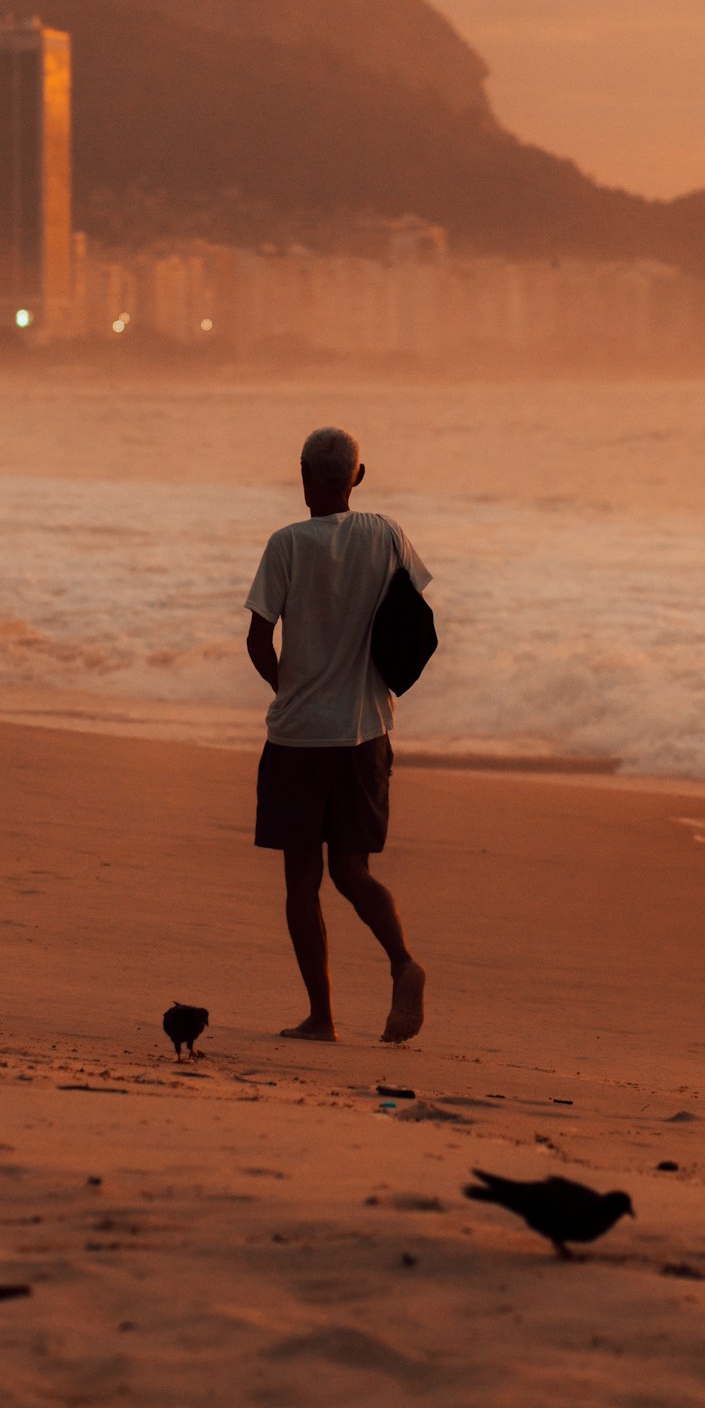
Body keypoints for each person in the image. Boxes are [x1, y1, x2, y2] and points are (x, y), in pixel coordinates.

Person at [245, 426, 431, 1046]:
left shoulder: (287, 544)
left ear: (303, 474)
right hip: (365, 731)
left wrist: (288, 690)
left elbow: (258, 640)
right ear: (359, 476)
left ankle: (322, 1018)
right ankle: (403, 963)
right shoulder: (387, 534)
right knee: (352, 871)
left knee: (302, 881)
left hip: (299, 740)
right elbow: (414, 616)